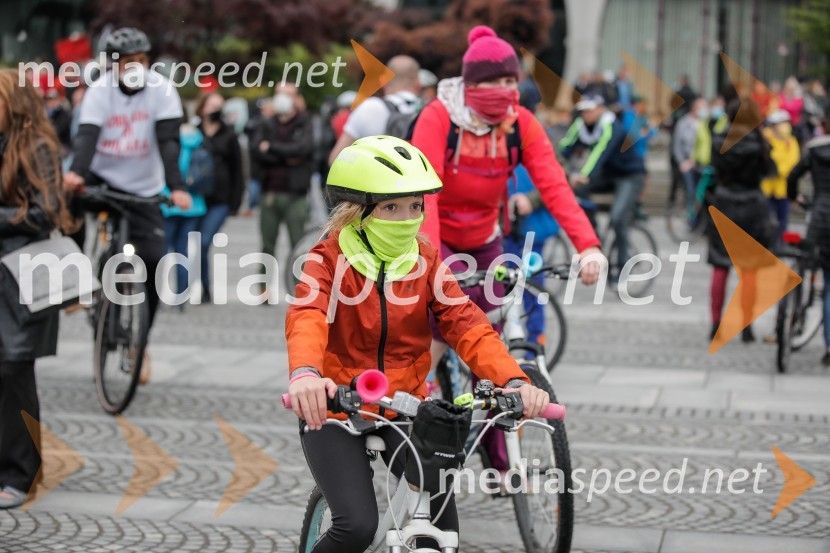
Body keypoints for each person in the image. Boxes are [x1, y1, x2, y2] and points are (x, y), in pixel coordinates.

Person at [286, 136, 553, 553]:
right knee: (356, 526)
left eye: (415, 206)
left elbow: (468, 325)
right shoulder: (326, 261)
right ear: (357, 213)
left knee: (441, 525)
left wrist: (513, 380)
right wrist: (306, 374)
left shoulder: (426, 261)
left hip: (404, 405)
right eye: (392, 207)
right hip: (333, 405)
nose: (408, 218)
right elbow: (307, 316)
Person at [411, 26, 602, 472]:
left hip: (486, 241)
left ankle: (501, 466)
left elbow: (554, 185)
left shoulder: (521, 123)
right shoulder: (438, 118)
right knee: (428, 347)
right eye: (494, 82)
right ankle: (411, 438)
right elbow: (425, 196)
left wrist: (587, 245)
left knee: (491, 349)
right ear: (470, 84)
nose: (505, 91)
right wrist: (433, 269)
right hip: (434, 239)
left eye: (511, 81)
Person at [63, 27, 192, 381]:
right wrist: (75, 174)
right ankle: (75, 280)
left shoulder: (162, 90)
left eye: (141, 60)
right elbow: (86, 137)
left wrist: (176, 187)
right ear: (113, 65)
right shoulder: (99, 92)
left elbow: (168, 142)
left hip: (143, 188)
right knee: (66, 205)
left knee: (151, 262)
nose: (135, 67)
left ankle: (139, 344)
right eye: (127, 62)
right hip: (101, 179)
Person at [0, 69, 77, 509]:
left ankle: (21, 472)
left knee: (14, 368)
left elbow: (46, 212)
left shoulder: (37, 147)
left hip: (23, 273)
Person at [708, 100, 775, 342]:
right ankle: (746, 325)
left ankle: (715, 323)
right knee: (749, 272)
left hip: (724, 203)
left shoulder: (718, 141)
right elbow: (768, 171)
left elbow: (714, 169)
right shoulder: (760, 143)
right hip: (751, 206)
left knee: (720, 266)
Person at [559, 94, 644, 274]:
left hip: (629, 175)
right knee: (579, 192)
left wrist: (584, 174)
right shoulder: (580, 125)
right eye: (583, 110)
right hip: (607, 175)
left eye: (590, 109)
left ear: (600, 109)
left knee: (617, 217)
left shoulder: (610, 125)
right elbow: (564, 148)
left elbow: (600, 151)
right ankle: (593, 236)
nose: (586, 114)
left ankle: (624, 263)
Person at [251, 88, 314, 293]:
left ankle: (300, 288)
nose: (283, 98)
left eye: (288, 93)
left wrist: (271, 148)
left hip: (295, 194)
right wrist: (287, 156)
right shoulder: (267, 123)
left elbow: (304, 150)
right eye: (279, 92)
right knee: (267, 244)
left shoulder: (305, 122)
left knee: (298, 244)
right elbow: (257, 152)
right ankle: (263, 287)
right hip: (270, 191)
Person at [787, 116, 830, 365]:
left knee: (806, 268)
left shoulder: (815, 149)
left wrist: (797, 197)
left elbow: (793, 176)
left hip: (819, 217)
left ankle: (797, 313)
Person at [194, 92, 244, 303]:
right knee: (192, 242)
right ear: (203, 107)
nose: (215, 110)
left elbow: (238, 169)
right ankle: (193, 285)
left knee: (204, 241)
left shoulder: (229, 134)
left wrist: (235, 201)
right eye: (212, 105)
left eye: (219, 106)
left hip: (220, 198)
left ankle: (205, 287)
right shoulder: (193, 131)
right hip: (196, 196)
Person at [328, 55, 420, 163]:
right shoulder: (428, 110)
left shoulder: (369, 107)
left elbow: (335, 159)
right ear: (418, 83)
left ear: (383, 81)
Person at [161, 120, 207, 311]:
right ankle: (181, 297)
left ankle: (154, 294)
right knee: (183, 252)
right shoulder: (198, 139)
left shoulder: (168, 141)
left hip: (169, 202)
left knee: (162, 252)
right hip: (193, 205)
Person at [761, 110, 800, 241]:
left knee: (782, 219)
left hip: (783, 188)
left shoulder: (791, 141)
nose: (784, 126)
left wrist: (778, 170)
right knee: (766, 219)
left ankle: (780, 244)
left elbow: (793, 163)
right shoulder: (765, 140)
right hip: (766, 187)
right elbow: (765, 160)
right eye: (781, 123)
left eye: (786, 122)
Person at [673, 98, 708, 205]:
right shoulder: (683, 123)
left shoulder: (706, 123)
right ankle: (690, 217)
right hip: (687, 162)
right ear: (694, 108)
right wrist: (681, 162)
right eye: (701, 107)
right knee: (690, 191)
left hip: (702, 163)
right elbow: (677, 145)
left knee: (701, 193)